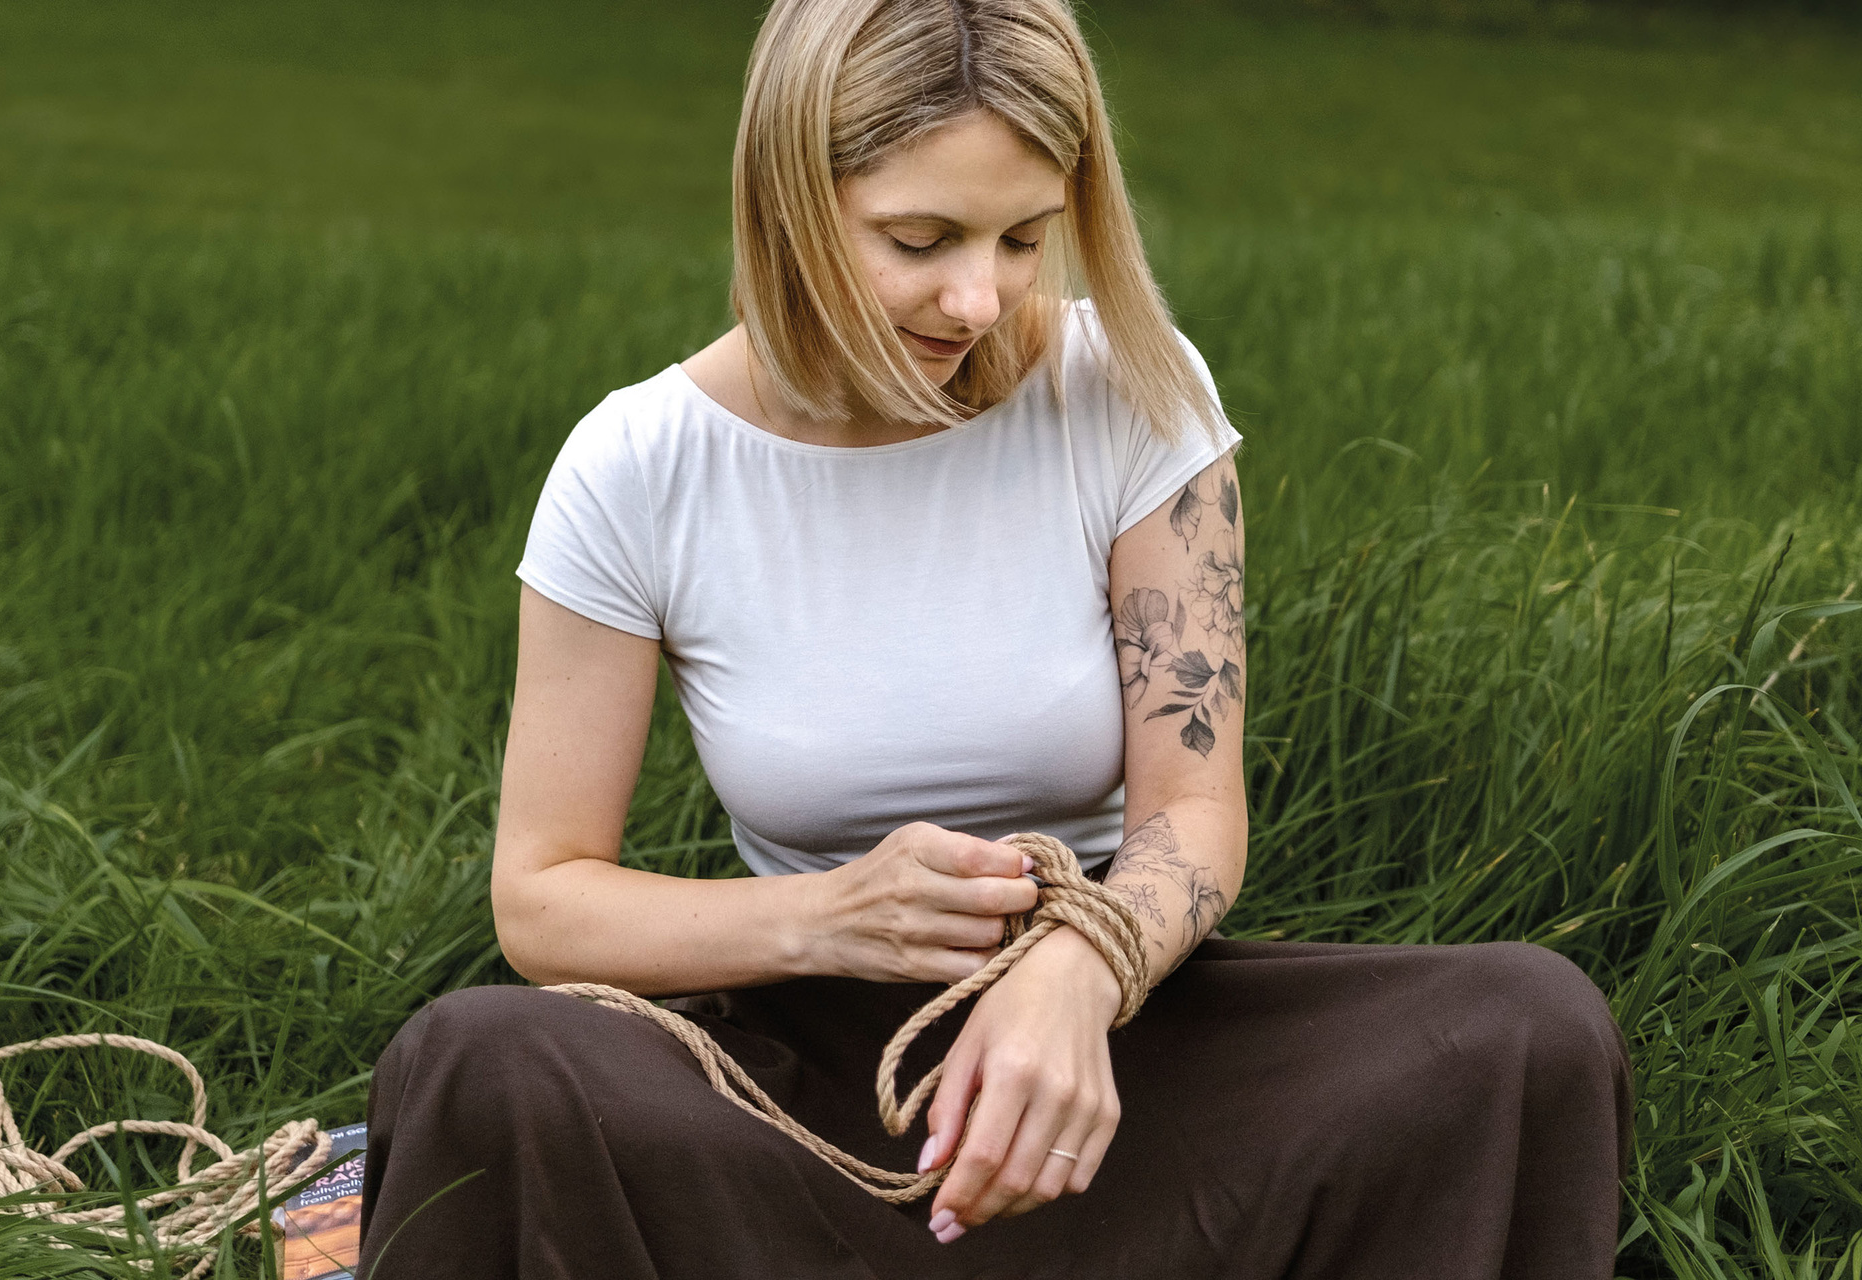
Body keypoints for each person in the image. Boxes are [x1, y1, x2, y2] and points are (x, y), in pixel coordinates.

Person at [358, 1, 1633, 1276]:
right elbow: (543, 896)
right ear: (789, 197)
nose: (979, 296)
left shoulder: (1129, 387)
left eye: (1025, 236)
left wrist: (1079, 971)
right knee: (479, 1061)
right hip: (797, 1092)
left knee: (1528, 1026)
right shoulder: (638, 465)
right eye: (919, 239)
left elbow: (1194, 808)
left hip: (1110, 1045)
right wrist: (828, 917)